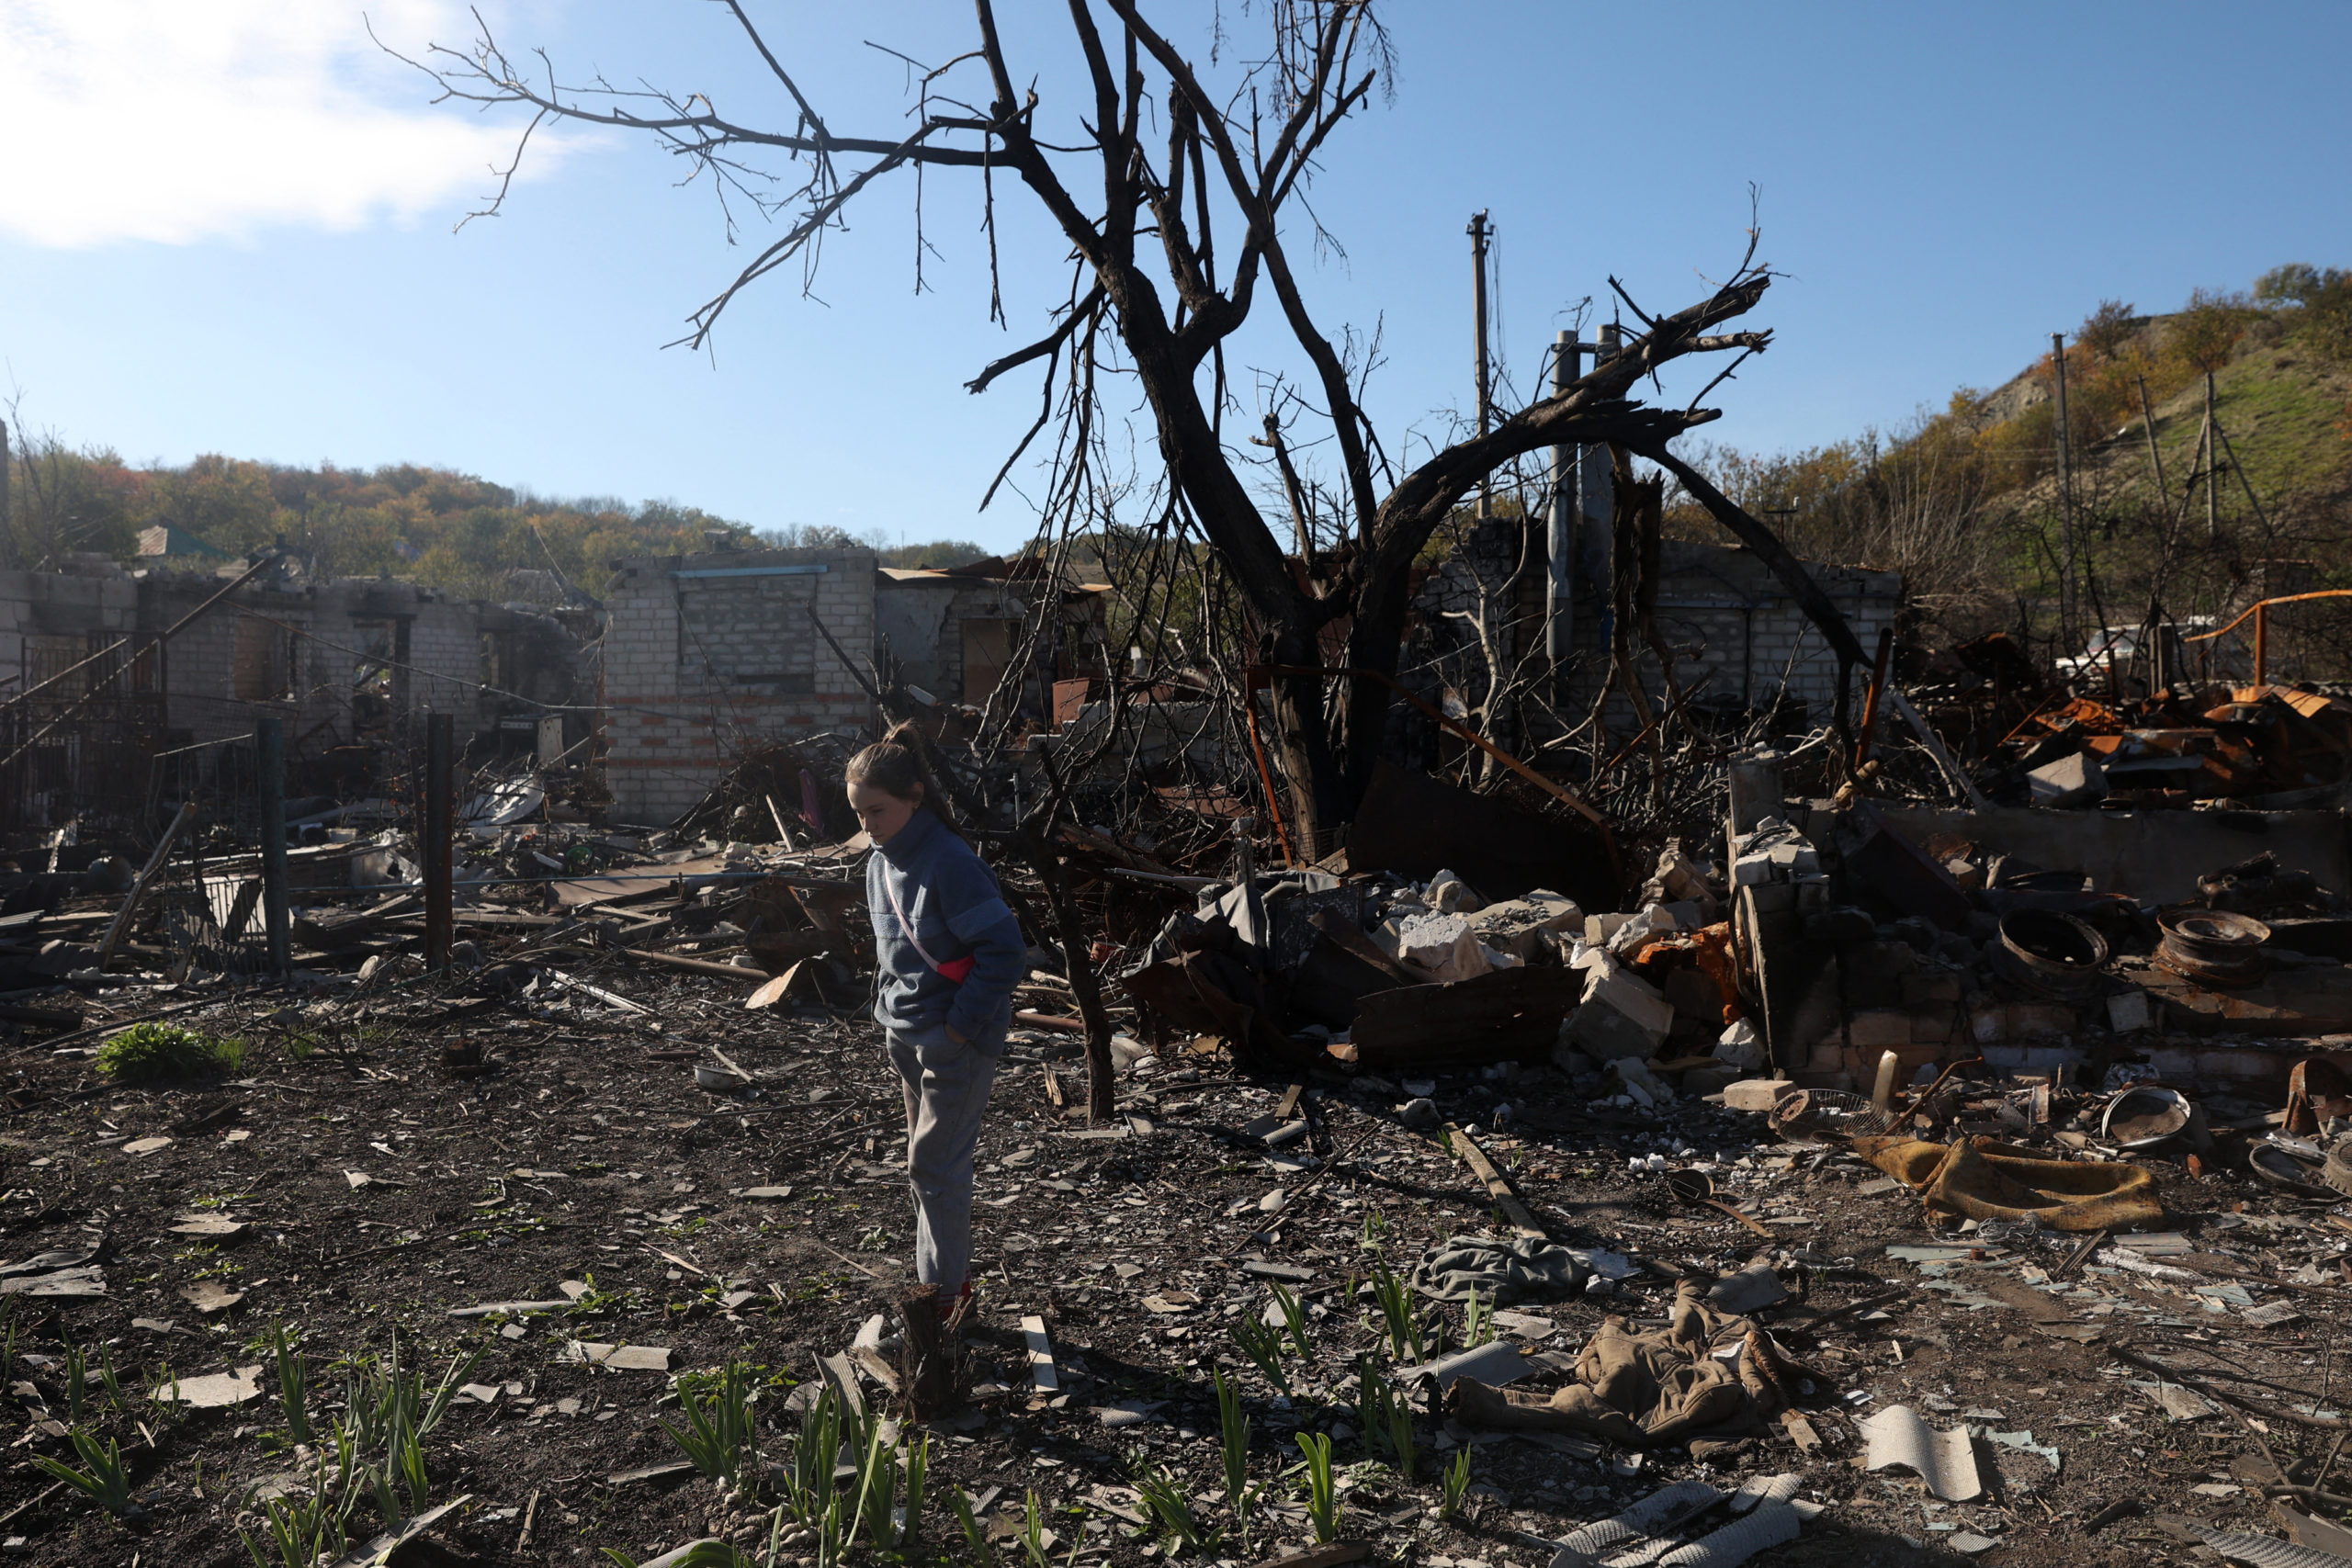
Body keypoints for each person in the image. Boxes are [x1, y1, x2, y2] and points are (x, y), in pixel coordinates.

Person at [847, 725, 1026, 1316]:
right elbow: (888, 948)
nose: (867, 825)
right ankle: (935, 1290)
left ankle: (948, 1301)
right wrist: (887, 1012)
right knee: (923, 1167)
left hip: (954, 1040)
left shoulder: (951, 862)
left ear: (915, 797)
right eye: (858, 813)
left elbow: (1005, 952)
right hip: (904, 1034)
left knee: (936, 1166)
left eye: (877, 810)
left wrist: (958, 1028)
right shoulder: (879, 862)